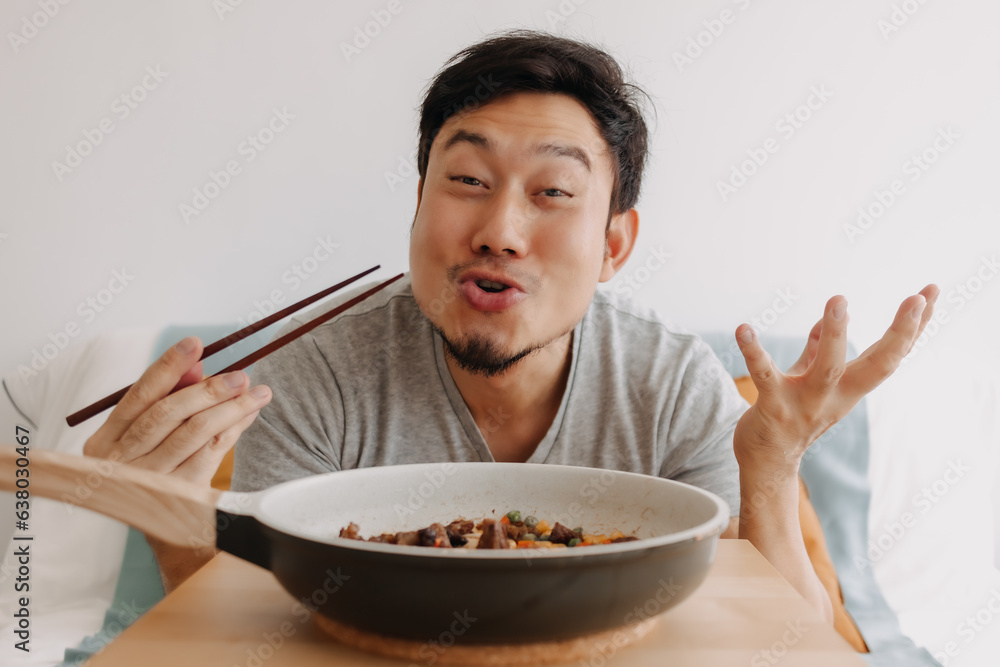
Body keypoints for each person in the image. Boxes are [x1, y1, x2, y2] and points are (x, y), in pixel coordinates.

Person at [82, 30, 939, 622]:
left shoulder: (673, 384)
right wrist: (168, 518)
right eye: (466, 180)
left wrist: (773, 467)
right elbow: (261, 637)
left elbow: (786, 645)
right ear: (418, 204)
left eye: (553, 192)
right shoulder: (319, 376)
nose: (500, 230)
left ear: (614, 245)